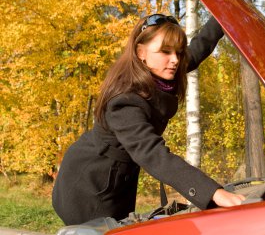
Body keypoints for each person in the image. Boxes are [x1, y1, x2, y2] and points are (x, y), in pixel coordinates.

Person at [52, 14, 245, 225]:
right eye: (165, 51)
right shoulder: (125, 99)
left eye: (178, 52)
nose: (175, 60)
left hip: (119, 179)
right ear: (140, 52)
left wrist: (224, 15)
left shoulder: (161, 72)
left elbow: (200, 47)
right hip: (90, 186)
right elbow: (153, 154)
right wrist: (212, 193)